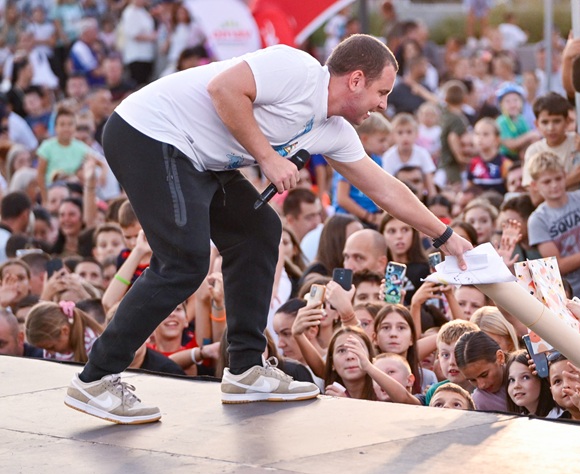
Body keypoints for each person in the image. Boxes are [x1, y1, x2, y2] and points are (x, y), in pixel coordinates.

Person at [64, 34, 471, 424]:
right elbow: (224, 89)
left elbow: (384, 187)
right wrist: (267, 158)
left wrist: (445, 235)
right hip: (147, 132)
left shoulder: (333, 130)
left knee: (258, 230)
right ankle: (95, 378)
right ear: (356, 79)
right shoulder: (295, 67)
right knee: (185, 263)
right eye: (382, 93)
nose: (384, 105)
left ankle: (244, 369)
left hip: (200, 158)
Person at [526, 151, 580, 296]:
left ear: (565, 175)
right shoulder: (537, 219)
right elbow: (557, 265)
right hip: (573, 288)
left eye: (558, 178)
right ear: (535, 185)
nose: (554, 185)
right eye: (547, 182)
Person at [454, 330, 509, 412]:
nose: (481, 385)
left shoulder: (528, 369)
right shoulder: (478, 401)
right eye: (472, 380)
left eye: (484, 375)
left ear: (500, 357)